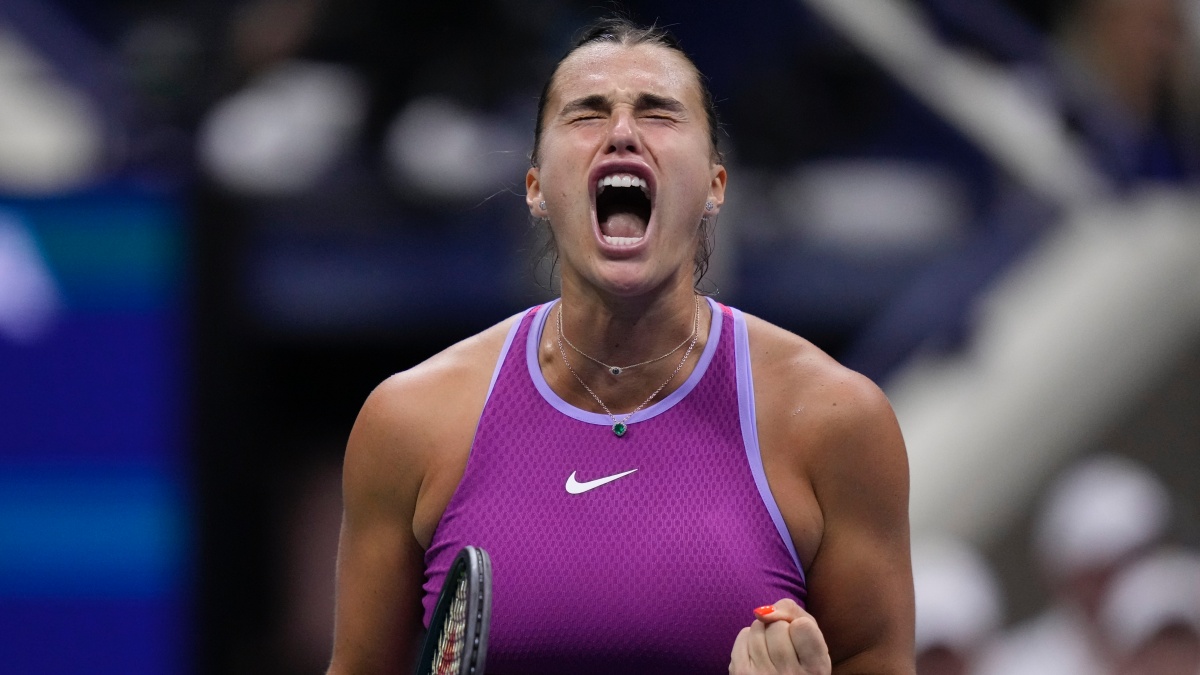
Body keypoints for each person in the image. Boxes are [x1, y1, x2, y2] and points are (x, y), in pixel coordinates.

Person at [326, 17, 914, 675]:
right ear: (537, 188)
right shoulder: (410, 421)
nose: (623, 133)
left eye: (660, 113)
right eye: (587, 114)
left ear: (716, 186)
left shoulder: (835, 419)